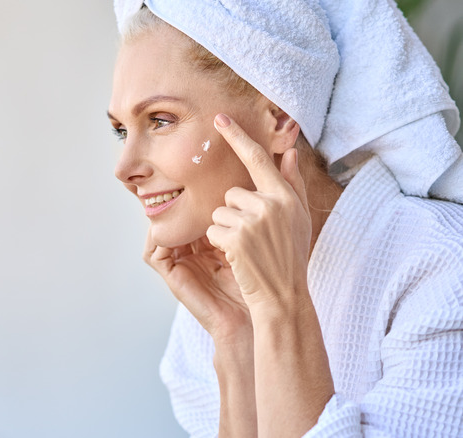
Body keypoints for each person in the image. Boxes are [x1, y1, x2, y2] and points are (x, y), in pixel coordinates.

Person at [107, 1, 463, 436]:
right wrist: (236, 339)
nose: (124, 169)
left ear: (279, 116)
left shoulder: (443, 271)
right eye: (121, 130)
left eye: (160, 120)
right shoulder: (206, 320)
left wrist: (282, 304)